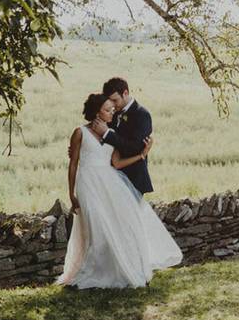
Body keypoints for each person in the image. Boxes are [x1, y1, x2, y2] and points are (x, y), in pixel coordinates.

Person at [55, 93, 182, 288]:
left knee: (117, 224)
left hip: (110, 182)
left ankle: (113, 270)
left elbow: (117, 162)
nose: (112, 113)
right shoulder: (80, 132)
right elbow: (73, 165)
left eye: (113, 110)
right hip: (87, 182)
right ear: (97, 112)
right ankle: (91, 270)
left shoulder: (112, 133)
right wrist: (71, 194)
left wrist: (142, 155)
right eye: (108, 110)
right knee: (94, 224)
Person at [91, 77, 153, 197]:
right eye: (110, 101)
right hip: (109, 178)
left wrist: (107, 134)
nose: (112, 104)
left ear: (125, 93)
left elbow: (134, 148)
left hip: (133, 178)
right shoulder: (111, 112)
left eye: (115, 100)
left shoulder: (142, 115)